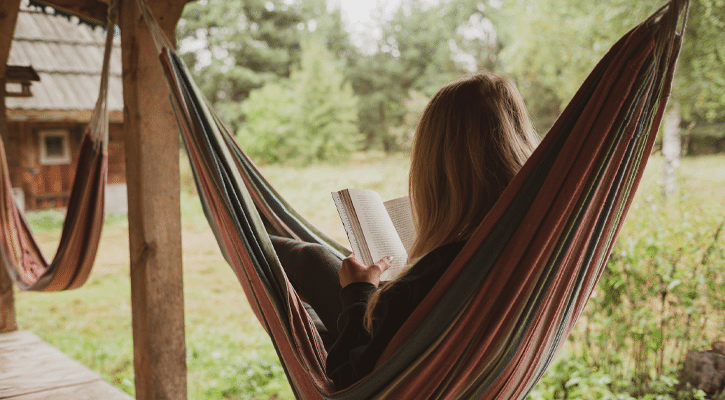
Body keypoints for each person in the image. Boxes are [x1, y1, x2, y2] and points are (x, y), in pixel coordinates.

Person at [272, 71, 539, 389]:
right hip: (471, 374)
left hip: (393, 374)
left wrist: (358, 294)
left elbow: (346, 379)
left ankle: (255, 232)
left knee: (306, 259)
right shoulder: (534, 237)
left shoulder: (424, 280)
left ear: (437, 167)